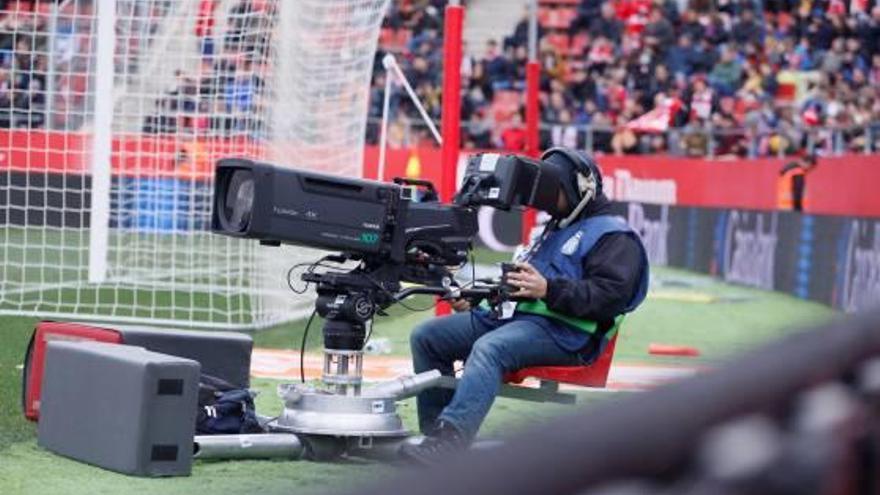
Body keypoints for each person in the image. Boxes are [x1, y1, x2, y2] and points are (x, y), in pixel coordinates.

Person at [400, 148, 650, 465]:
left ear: (580, 187)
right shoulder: (554, 228)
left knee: (490, 348)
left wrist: (549, 289)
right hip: (518, 321)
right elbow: (523, 288)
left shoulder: (614, 235)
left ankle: (451, 442)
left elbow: (611, 296)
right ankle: (435, 437)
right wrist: (477, 299)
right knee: (427, 336)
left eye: (552, 189)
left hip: (567, 332)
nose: (545, 199)